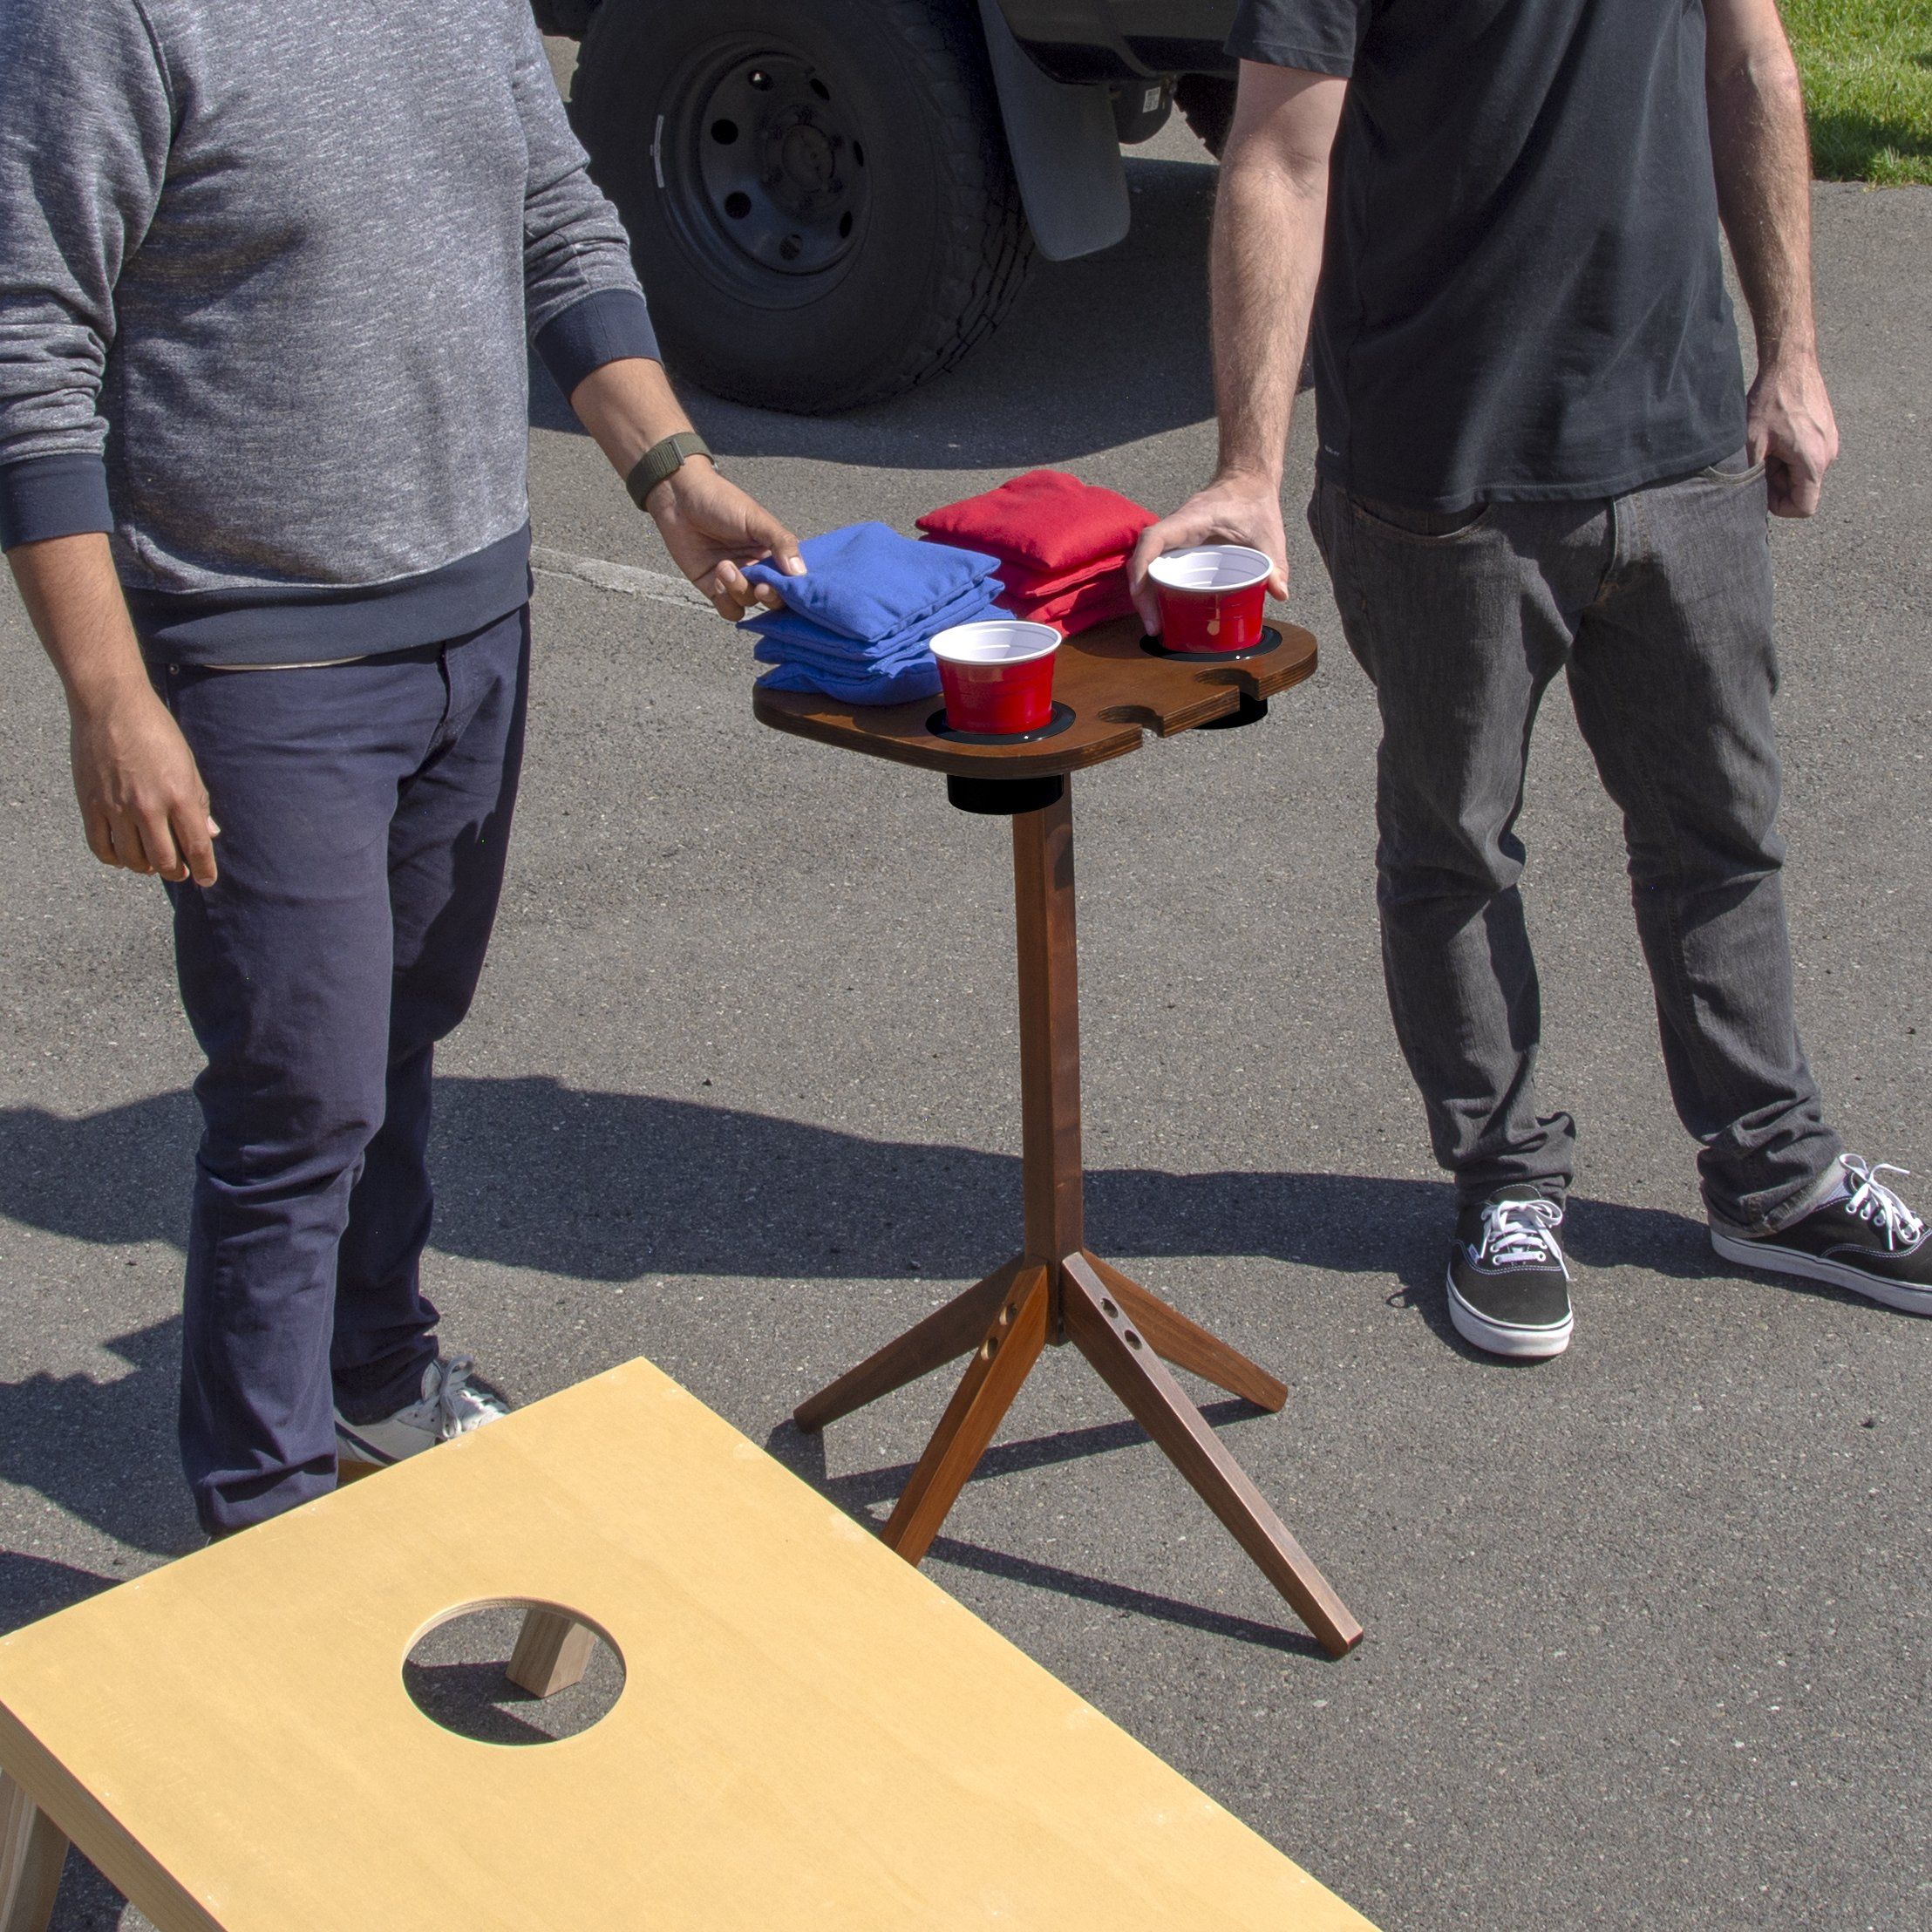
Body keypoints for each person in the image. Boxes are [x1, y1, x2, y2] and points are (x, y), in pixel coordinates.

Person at [0, 0, 804, 1532]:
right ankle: (264, 1519)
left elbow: (556, 219)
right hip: (258, 655)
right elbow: (27, 344)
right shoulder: (102, 16)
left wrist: (668, 469)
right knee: (296, 1099)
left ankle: (371, 1372)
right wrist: (109, 696)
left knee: (397, 1032)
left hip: (476, 618)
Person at [1133, 0, 1929, 1359]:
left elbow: (1750, 60)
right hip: (1444, 472)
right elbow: (1277, 153)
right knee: (1456, 848)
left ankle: (1775, 1177)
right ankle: (1505, 1184)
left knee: (1723, 830)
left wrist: (1790, 352)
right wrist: (1250, 466)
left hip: (1681, 443)